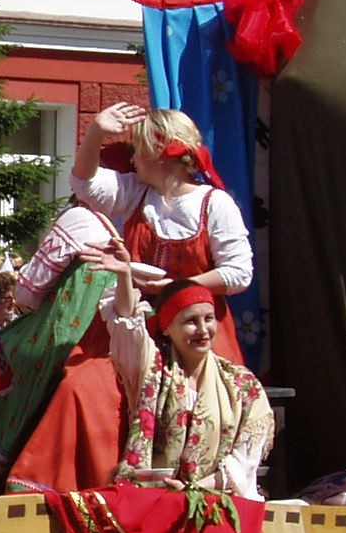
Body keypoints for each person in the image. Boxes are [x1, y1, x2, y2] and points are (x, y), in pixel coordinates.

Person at [0, 186, 126, 496]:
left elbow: (28, 292)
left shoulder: (77, 217)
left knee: (1, 354)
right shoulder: (127, 226)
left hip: (61, 332)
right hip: (104, 340)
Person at [73, 102, 253, 365]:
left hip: (196, 331)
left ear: (158, 152)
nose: (132, 159)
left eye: (137, 150)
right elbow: (84, 183)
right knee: (81, 383)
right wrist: (96, 132)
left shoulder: (215, 203)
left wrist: (177, 287)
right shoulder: (136, 192)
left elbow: (239, 273)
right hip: (137, 324)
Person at [104, 272, 273, 499]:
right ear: (167, 328)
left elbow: (243, 462)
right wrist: (124, 274)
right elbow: (125, 324)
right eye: (191, 321)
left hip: (217, 502)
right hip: (153, 501)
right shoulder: (152, 369)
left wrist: (193, 489)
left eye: (209, 319)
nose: (203, 330)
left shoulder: (242, 386)